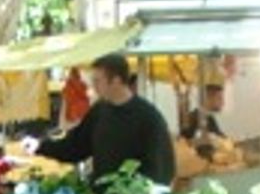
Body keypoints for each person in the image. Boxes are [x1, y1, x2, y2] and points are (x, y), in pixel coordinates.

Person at [32, 52, 175, 187]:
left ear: (116, 81)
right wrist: (40, 146)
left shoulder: (148, 117)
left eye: (97, 81)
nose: (93, 86)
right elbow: (74, 147)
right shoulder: (99, 112)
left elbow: (162, 169)